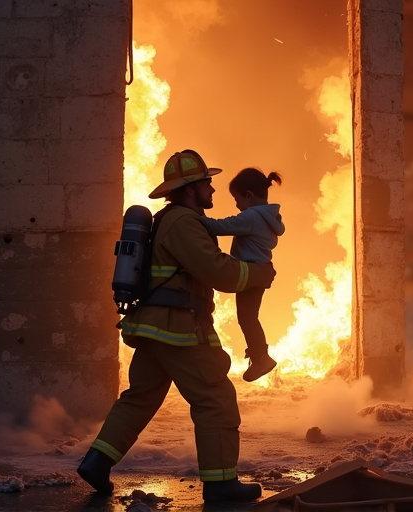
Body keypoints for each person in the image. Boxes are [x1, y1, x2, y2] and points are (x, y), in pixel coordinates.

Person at [77, 149, 276, 503]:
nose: (212, 191)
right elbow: (219, 272)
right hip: (179, 330)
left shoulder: (171, 220)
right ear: (189, 190)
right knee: (215, 398)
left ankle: (97, 462)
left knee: (140, 398)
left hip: (157, 329)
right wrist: (259, 272)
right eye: (206, 185)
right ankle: (220, 484)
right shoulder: (183, 222)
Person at [202, 167, 285, 382]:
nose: (236, 204)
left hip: (250, 273)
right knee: (250, 317)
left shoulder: (251, 217)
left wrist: (195, 218)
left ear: (248, 195)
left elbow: (220, 226)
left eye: (236, 199)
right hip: (261, 272)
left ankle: (261, 357)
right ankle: (260, 355)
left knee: (246, 318)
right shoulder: (269, 217)